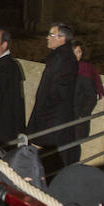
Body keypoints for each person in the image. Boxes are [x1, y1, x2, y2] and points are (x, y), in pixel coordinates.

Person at [26, 22, 79, 166]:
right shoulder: (59, 56)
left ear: (62, 39)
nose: (47, 38)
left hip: (53, 117)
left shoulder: (63, 58)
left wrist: (44, 110)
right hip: (51, 115)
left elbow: (59, 90)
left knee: (51, 157)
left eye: (51, 35)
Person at [72, 39, 104, 161]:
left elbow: (91, 97)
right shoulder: (63, 68)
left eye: (79, 52)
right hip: (62, 117)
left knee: (72, 149)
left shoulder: (85, 70)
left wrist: (82, 115)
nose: (76, 55)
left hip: (75, 120)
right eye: (73, 52)